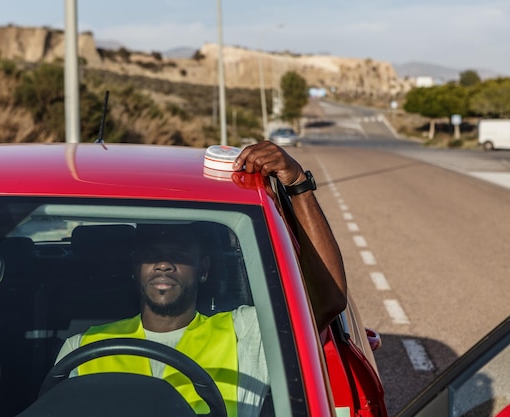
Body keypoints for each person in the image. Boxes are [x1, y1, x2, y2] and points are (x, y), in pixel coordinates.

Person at [55, 141, 347, 417]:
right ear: (135, 267)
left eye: (179, 254)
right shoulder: (82, 347)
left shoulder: (243, 333)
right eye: (152, 254)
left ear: (203, 269)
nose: (164, 264)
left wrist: (299, 187)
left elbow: (327, 299)